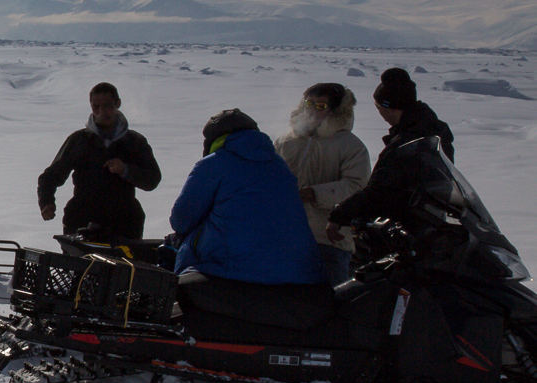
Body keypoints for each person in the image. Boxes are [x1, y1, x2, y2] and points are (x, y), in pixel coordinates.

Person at [168, 109, 325, 284]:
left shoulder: (214, 164)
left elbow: (182, 220)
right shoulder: (280, 165)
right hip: (301, 275)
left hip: (231, 272)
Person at [325, 68, 457, 239]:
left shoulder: (407, 143)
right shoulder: (435, 130)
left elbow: (381, 189)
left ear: (391, 108)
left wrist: (339, 214)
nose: (379, 112)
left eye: (378, 106)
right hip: (431, 221)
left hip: (408, 231)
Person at [37, 82, 162, 241]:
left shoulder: (134, 142)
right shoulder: (79, 140)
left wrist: (126, 170)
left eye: (107, 105)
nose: (102, 111)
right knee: (83, 267)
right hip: (81, 225)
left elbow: (153, 179)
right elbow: (50, 177)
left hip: (125, 226)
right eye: (96, 106)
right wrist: (46, 202)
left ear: (118, 104)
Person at [274, 82, 370, 285]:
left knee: (330, 304)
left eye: (320, 106)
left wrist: (315, 193)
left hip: (329, 240)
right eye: (309, 104)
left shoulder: (350, 146)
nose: (312, 111)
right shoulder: (285, 142)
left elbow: (357, 188)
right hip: (286, 238)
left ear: (336, 110)